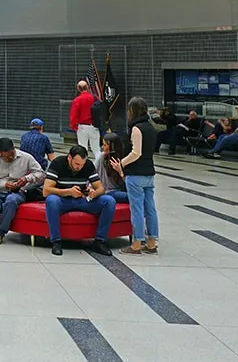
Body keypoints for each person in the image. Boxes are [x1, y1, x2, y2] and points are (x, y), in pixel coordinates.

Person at [42, 145, 115, 256]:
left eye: (82, 165)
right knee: (51, 200)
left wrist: (94, 193)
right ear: (69, 158)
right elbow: (46, 191)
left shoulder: (88, 165)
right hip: (63, 200)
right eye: (77, 164)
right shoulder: (58, 163)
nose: (79, 167)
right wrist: (68, 192)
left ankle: (100, 241)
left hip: (82, 200)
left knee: (109, 201)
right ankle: (56, 241)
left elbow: (101, 188)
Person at [0, 137, 43, 245]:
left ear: (14, 149)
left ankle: (0, 232)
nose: (9, 158)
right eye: (5, 157)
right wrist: (3, 184)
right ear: (0, 153)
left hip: (18, 192)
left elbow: (41, 173)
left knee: (11, 201)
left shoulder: (26, 157)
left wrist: (27, 178)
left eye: (11, 155)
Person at [118, 97, 158, 255]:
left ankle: (137, 243)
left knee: (137, 209)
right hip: (149, 172)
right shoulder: (151, 127)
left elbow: (136, 152)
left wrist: (122, 163)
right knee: (151, 208)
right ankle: (152, 242)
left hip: (136, 173)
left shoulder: (136, 128)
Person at [70, 80, 100, 160]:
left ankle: (85, 166)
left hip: (82, 126)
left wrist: (74, 126)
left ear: (78, 89)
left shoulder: (77, 100)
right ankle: (100, 166)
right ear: (88, 87)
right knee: (96, 149)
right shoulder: (94, 98)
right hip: (94, 126)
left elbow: (74, 115)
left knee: (82, 149)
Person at [95, 133, 128, 203]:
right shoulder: (102, 157)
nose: (103, 147)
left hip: (121, 189)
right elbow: (93, 171)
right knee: (132, 197)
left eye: (105, 145)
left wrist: (120, 172)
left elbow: (129, 183)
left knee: (137, 195)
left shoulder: (124, 159)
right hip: (109, 190)